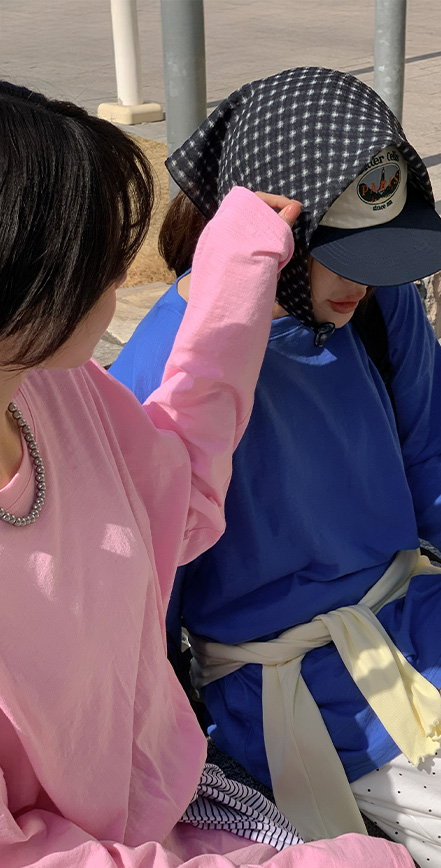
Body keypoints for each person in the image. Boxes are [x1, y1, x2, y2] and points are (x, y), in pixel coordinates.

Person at [110, 67, 441, 867]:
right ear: (272, 233)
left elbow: (438, 456)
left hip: (419, 611)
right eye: (342, 255)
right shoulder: (163, 372)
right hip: (280, 677)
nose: (363, 280)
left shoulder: (380, 310)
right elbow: (144, 593)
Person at [0, 81, 417, 868]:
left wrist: (237, 276)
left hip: (173, 800)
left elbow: (179, 492)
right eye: (92, 250)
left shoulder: (55, 386)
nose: (122, 273)